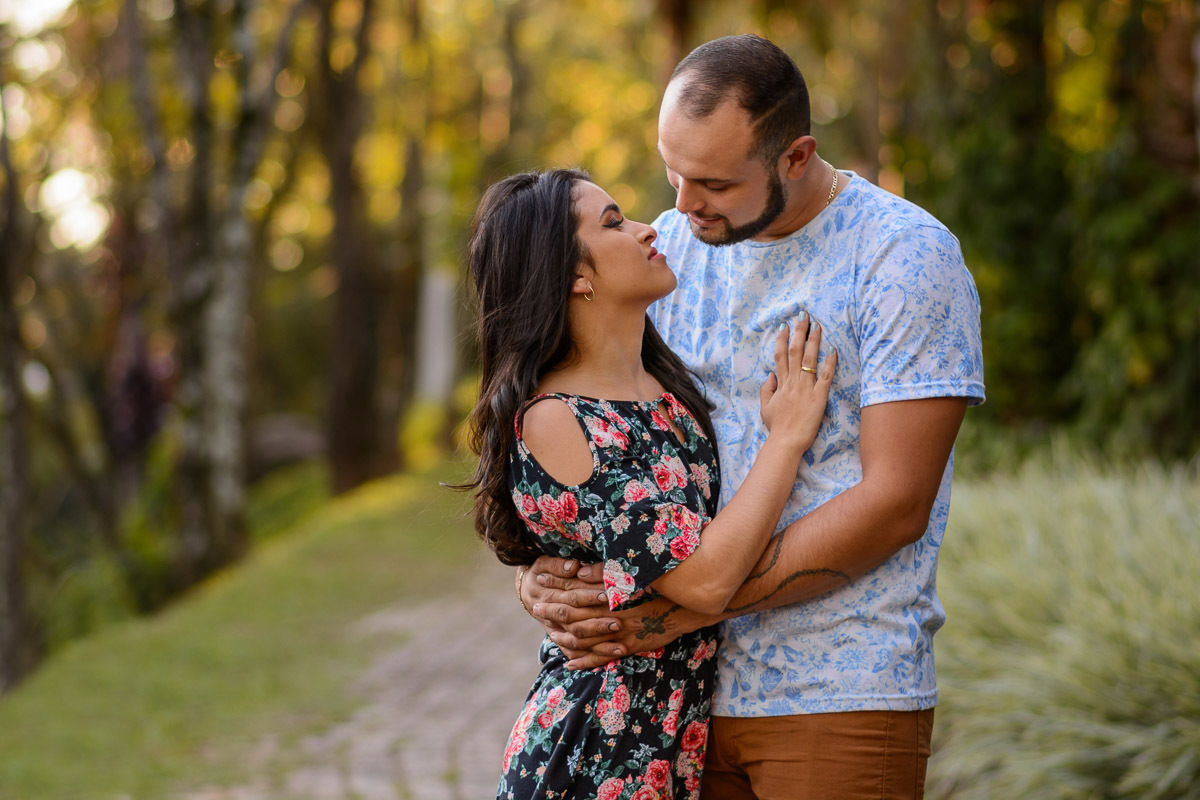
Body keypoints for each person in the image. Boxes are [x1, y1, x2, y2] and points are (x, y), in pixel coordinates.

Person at [519, 35, 986, 799]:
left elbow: (897, 502)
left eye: (713, 182)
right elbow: (598, 437)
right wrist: (545, 576)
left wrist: (676, 610)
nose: (681, 204)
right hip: (671, 709)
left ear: (796, 157)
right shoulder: (667, 252)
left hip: (837, 689)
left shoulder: (903, 257)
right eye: (673, 172)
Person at [462, 167, 835, 799]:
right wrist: (787, 439)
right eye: (614, 223)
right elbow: (705, 581)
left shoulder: (664, 389)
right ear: (573, 275)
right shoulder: (557, 418)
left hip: (672, 746)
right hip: (596, 754)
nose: (646, 229)